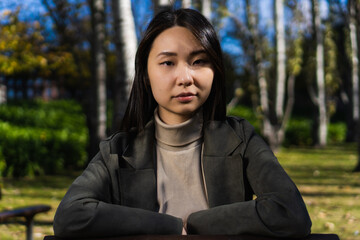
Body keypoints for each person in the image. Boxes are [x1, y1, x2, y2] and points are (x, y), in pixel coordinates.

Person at [53, 8, 312, 238]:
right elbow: (71, 216)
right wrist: (171, 226)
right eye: (167, 62)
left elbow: (290, 212)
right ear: (145, 74)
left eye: (199, 61)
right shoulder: (117, 151)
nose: (185, 77)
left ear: (215, 70)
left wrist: (198, 222)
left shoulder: (240, 139)